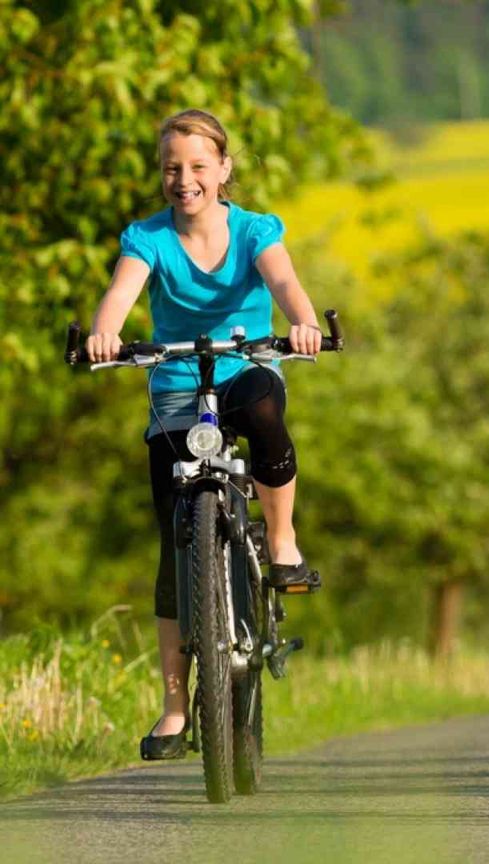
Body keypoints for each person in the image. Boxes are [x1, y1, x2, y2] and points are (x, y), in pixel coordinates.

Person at [84, 109, 326, 761]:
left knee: (266, 412)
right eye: (171, 168)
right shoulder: (148, 238)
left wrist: (302, 321)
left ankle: (280, 540)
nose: (183, 179)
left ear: (222, 169)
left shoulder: (254, 230)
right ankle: (172, 707)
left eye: (196, 166)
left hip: (245, 369)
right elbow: (120, 296)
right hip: (176, 389)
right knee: (174, 544)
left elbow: (285, 283)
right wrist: (105, 334)